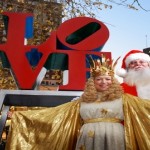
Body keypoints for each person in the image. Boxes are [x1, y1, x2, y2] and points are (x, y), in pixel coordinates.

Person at [5, 55, 150, 150]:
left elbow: (145, 110)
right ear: (93, 82)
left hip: (114, 137)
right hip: (87, 137)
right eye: (99, 79)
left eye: (107, 79)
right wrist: (21, 116)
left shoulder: (125, 98)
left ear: (113, 81)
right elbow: (56, 115)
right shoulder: (81, 101)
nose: (103, 82)